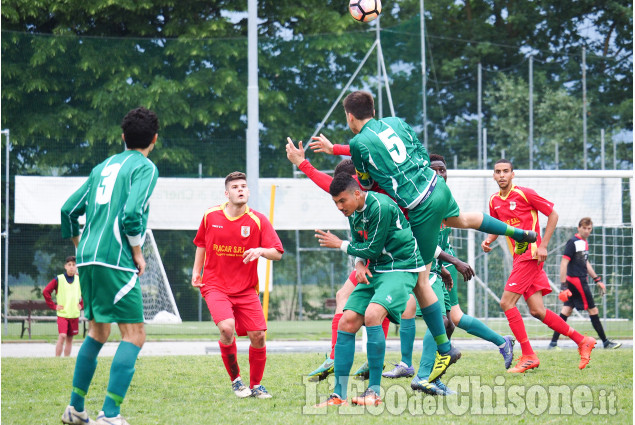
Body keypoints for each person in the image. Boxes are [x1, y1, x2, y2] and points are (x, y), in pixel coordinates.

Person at [308, 91, 536, 377]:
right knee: (463, 219)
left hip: (419, 206)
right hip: (435, 187)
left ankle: (443, 348)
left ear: (349, 116)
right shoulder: (394, 122)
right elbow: (417, 150)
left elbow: (363, 184)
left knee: (420, 277)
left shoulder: (358, 145)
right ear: (374, 109)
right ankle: (518, 231)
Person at [60, 106, 160, 425]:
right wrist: (138, 253)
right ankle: (110, 415)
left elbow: (67, 210)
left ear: (122, 137)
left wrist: (80, 246)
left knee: (97, 331)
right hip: (115, 260)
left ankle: (76, 409)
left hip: (88, 259)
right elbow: (132, 215)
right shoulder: (145, 168)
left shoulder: (102, 167)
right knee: (135, 335)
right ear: (154, 140)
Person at [313, 174, 426, 406]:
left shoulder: (380, 207)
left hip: (400, 267)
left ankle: (374, 392)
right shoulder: (353, 212)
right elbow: (359, 246)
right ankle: (339, 395)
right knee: (347, 321)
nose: (339, 207)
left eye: (342, 201)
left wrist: (340, 244)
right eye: (335, 203)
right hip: (375, 268)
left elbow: (372, 248)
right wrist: (358, 264)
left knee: (373, 314)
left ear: (357, 193)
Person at [285, 139, 390, 382]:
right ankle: (338, 357)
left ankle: (383, 360)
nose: (338, 199)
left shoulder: (378, 191)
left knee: (389, 310)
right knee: (346, 295)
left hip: (395, 260)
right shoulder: (356, 203)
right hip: (375, 258)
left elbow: (369, 148)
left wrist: (316, 158)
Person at [482, 159, 597, 373]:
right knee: (537, 310)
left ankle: (528, 355)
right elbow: (496, 226)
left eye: (506, 171)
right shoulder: (494, 201)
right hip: (520, 258)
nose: (502, 175)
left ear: (513, 174)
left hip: (531, 255)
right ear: (494, 176)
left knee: (507, 303)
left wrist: (543, 245)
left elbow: (553, 214)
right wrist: (489, 240)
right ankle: (582, 340)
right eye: (498, 172)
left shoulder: (525, 193)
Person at [191, 171, 284, 399]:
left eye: (244, 186)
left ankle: (256, 385)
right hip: (215, 285)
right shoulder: (210, 216)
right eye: (235, 187)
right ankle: (236, 380)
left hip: (246, 289)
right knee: (226, 328)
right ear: (227, 193)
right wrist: (196, 271)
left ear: (248, 192)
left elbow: (278, 253)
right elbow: (201, 243)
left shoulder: (258, 220)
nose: (240, 189)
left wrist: (260, 250)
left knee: (259, 336)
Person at [549, 217, 621, 350]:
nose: (587, 231)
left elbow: (585, 262)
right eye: (585, 228)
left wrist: (597, 279)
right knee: (593, 309)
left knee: (566, 310)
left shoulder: (584, 242)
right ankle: (605, 342)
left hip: (578, 280)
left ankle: (553, 343)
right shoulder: (573, 242)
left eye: (589, 229)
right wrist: (563, 285)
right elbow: (564, 263)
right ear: (579, 228)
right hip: (577, 281)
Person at [43, 255, 84, 357]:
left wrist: (82, 304)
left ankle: (66, 361)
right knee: (62, 336)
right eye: (69, 265)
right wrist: (53, 306)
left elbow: (88, 293)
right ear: (65, 266)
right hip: (63, 314)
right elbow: (46, 292)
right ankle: (57, 359)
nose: (71, 267)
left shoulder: (80, 279)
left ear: (76, 267)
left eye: (74, 265)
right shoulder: (59, 279)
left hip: (74, 314)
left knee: (70, 339)